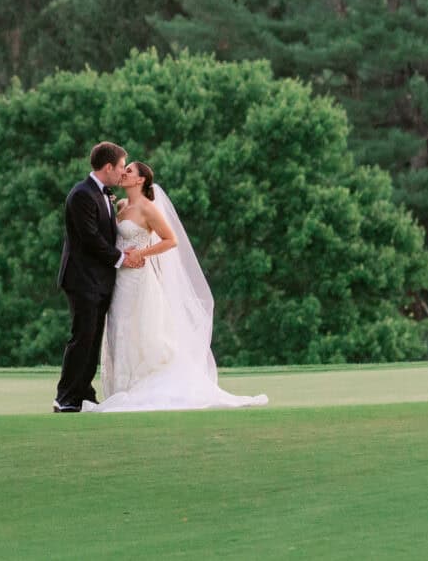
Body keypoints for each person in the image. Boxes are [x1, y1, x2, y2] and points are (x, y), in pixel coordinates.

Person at [83, 159, 267, 413]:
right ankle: (119, 388)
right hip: (119, 277)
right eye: (123, 171)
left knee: (134, 326)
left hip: (137, 277)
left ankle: (135, 386)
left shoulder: (148, 209)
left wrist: (143, 253)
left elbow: (171, 240)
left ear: (141, 180)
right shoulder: (122, 205)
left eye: (129, 172)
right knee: (117, 326)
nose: (123, 174)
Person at [53, 140, 146, 411]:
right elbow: (90, 238)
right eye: (119, 167)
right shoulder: (82, 194)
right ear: (108, 167)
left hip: (100, 281)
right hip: (82, 280)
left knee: (93, 341)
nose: (122, 173)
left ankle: (83, 393)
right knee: (82, 337)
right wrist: (121, 258)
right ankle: (65, 397)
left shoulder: (103, 195)